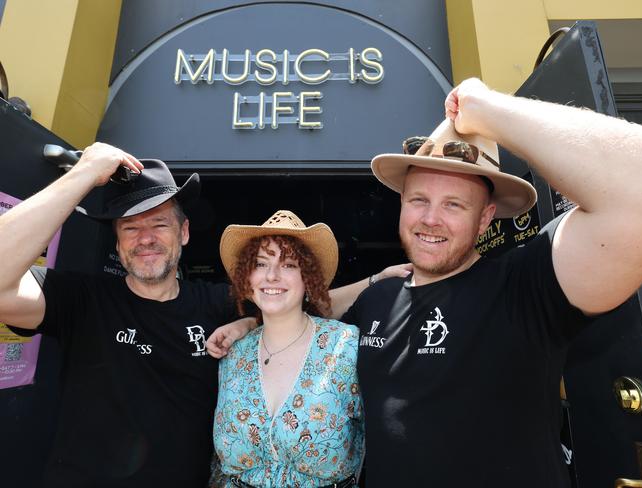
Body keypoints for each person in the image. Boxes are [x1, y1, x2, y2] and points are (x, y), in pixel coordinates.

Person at [0, 144, 407, 488]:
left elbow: (299, 304)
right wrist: (83, 174)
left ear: (184, 233)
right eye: (129, 227)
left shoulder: (215, 305)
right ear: (117, 241)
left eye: (159, 223)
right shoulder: (79, 298)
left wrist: (375, 281)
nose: (145, 238)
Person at [340, 78, 642, 487]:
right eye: (419, 200)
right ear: (402, 205)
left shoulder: (526, 287)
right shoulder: (376, 299)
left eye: (454, 204)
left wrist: (485, 107)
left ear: (485, 218)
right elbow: (302, 318)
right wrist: (249, 324)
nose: (431, 219)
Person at [213, 210, 362, 488]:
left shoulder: (345, 347)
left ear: (308, 278)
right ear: (247, 277)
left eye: (289, 265)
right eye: (260, 263)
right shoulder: (233, 354)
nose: (272, 275)